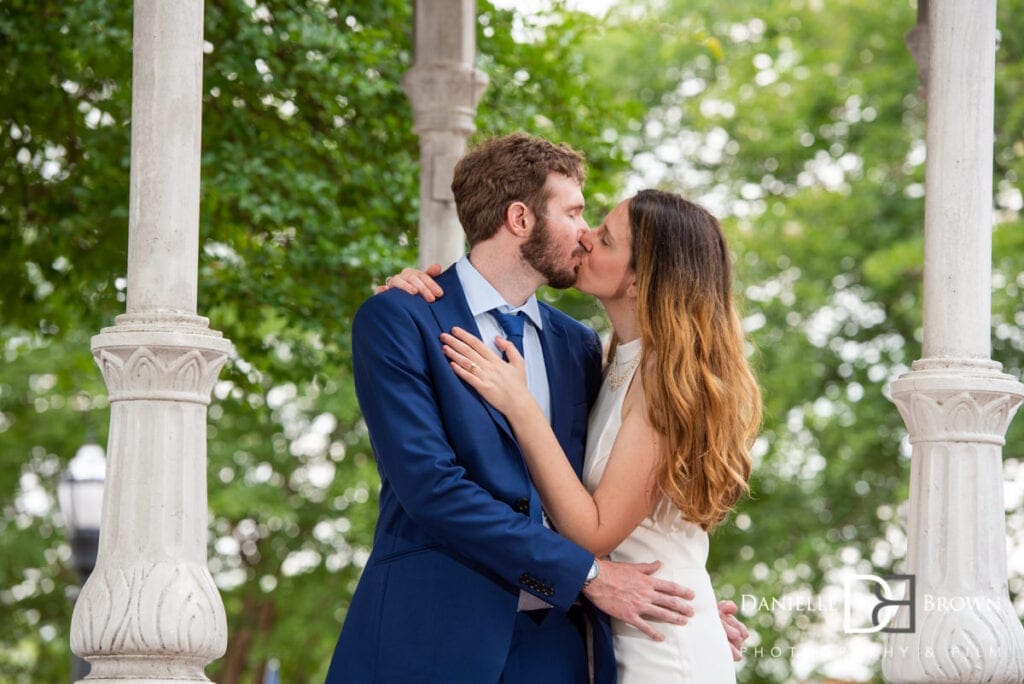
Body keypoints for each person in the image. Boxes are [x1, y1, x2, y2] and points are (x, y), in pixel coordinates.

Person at [326, 134, 738, 684]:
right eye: (574, 212)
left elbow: (628, 489)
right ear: (520, 219)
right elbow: (429, 486)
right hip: (427, 639)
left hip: (563, 652)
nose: (586, 234)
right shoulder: (401, 318)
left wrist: (692, 604)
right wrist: (590, 575)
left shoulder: (581, 346)